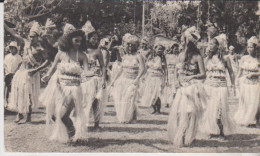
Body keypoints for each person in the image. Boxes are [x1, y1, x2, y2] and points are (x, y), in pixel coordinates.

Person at [41, 25, 89, 143]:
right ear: (69, 40)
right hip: (58, 87)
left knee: (62, 115)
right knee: (52, 114)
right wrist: (47, 75)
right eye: (76, 40)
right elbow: (52, 68)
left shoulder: (82, 55)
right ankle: (70, 134)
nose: (78, 43)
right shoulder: (61, 54)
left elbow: (87, 71)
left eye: (80, 41)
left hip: (73, 89)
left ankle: (73, 133)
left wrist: (91, 75)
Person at [167, 26, 206, 147]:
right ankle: (181, 134)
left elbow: (203, 74)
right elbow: (175, 70)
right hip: (181, 89)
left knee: (190, 112)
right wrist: (176, 83)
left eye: (186, 41)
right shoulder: (180, 55)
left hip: (192, 88)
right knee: (179, 112)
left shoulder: (197, 57)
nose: (184, 44)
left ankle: (189, 135)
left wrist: (191, 77)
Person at [5, 21, 49, 124]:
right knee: (18, 92)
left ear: (38, 37)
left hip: (31, 73)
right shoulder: (26, 43)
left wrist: (37, 70)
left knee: (28, 94)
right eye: (30, 36)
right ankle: (19, 114)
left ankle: (28, 116)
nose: (31, 38)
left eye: (33, 36)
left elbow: (48, 61)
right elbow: (12, 33)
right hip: (21, 71)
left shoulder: (40, 49)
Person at [200, 35, 236, 140]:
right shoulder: (207, 58)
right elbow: (202, 71)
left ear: (218, 45)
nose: (209, 46)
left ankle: (221, 132)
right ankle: (211, 130)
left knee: (220, 109)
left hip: (221, 86)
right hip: (209, 85)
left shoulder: (225, 58)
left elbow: (231, 73)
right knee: (210, 109)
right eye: (209, 43)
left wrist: (233, 85)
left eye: (212, 43)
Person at [110, 34, 145, 123]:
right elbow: (121, 69)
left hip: (133, 80)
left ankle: (132, 117)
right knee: (123, 99)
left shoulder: (138, 56)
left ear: (135, 45)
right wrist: (114, 80)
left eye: (131, 45)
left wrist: (137, 79)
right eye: (128, 44)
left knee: (131, 98)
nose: (129, 46)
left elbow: (143, 69)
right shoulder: (125, 57)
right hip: (123, 80)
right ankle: (128, 116)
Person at [81, 25, 107, 131]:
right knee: (83, 101)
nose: (95, 40)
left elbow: (103, 66)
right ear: (87, 38)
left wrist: (104, 79)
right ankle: (83, 123)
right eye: (93, 38)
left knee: (95, 101)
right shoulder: (81, 51)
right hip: (82, 78)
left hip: (94, 79)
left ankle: (96, 124)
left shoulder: (97, 51)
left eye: (97, 38)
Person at [234, 36, 260, 127]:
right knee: (245, 101)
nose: (249, 49)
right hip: (244, 82)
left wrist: (254, 74)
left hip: (255, 82)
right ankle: (247, 119)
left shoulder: (258, 59)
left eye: (251, 47)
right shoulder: (244, 58)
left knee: (255, 101)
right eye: (248, 47)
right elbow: (240, 71)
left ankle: (257, 120)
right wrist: (236, 81)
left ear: (255, 48)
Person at [140, 43, 167, 114]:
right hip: (150, 77)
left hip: (158, 78)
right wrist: (144, 76)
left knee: (156, 94)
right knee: (151, 93)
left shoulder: (163, 58)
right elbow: (146, 67)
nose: (159, 50)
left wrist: (166, 78)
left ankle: (158, 110)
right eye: (158, 48)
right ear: (155, 49)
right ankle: (154, 109)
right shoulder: (150, 57)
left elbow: (165, 69)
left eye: (161, 49)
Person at [4, 41, 22, 108]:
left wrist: (15, 72)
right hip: (8, 74)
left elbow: (20, 65)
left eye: (13, 48)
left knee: (16, 88)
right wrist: (8, 71)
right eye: (10, 48)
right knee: (6, 88)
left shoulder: (19, 57)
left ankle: (16, 103)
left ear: (16, 49)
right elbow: (5, 65)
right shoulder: (7, 56)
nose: (11, 49)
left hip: (15, 75)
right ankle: (5, 101)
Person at [164, 42, 179, 108]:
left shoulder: (178, 57)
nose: (176, 50)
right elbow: (166, 67)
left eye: (177, 49)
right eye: (175, 49)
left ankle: (173, 103)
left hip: (175, 74)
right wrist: (166, 77)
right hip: (169, 73)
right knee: (168, 88)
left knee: (175, 89)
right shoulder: (167, 56)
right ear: (172, 49)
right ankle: (167, 102)